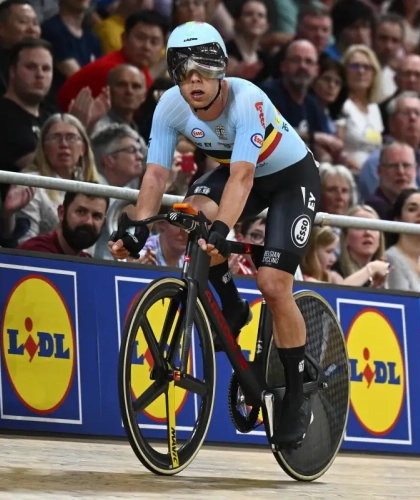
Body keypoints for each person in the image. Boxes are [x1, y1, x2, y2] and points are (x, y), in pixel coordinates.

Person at [108, 22, 320, 448]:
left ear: (221, 70)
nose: (195, 83)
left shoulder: (247, 100)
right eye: (184, 74)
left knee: (273, 284)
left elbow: (242, 178)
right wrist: (139, 226)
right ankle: (232, 308)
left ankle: (296, 397)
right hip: (241, 174)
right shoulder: (169, 106)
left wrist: (223, 230)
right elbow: (155, 172)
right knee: (190, 215)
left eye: (203, 72)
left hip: (289, 180)